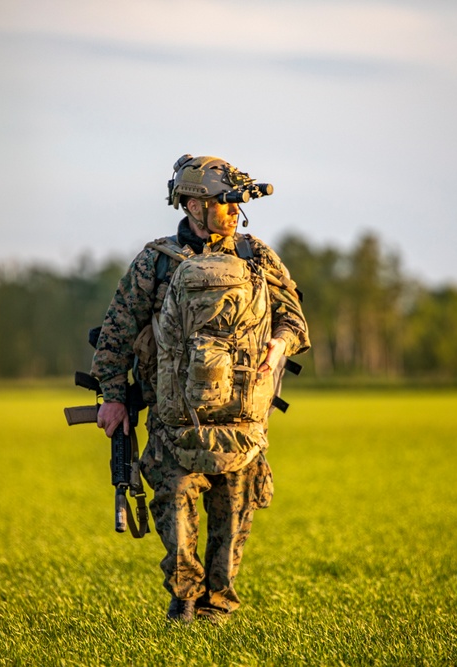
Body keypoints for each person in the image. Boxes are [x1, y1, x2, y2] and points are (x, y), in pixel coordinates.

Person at [91, 154, 310, 624]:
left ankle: (219, 606)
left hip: (241, 420)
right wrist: (112, 395)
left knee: (232, 521)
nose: (234, 213)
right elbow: (116, 331)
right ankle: (185, 599)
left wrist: (279, 343)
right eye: (222, 203)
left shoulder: (257, 257)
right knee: (176, 519)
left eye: (236, 205)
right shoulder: (156, 261)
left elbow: (295, 318)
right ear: (191, 203)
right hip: (175, 421)